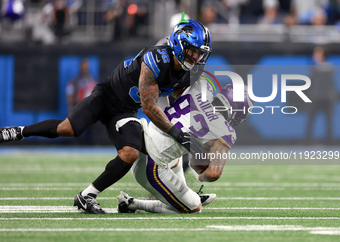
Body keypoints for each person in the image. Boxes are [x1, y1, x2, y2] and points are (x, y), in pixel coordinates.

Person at [0, 15, 212, 214]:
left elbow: (174, 100)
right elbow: (149, 107)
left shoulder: (190, 72)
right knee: (67, 128)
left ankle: (87, 195)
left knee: (131, 153)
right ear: (178, 44)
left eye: (199, 52)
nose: (195, 57)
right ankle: (18, 131)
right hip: (106, 96)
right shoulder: (157, 58)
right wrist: (177, 133)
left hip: (125, 110)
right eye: (192, 50)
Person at [117, 79, 253, 214]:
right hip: (151, 164)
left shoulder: (202, 86)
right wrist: (200, 175)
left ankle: (182, 195)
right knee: (194, 207)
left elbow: (172, 89)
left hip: (142, 139)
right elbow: (213, 173)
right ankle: (133, 204)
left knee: (177, 151)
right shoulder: (224, 131)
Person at [306, 46, 336, 143]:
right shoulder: (318, 67)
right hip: (318, 97)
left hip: (325, 98)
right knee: (311, 121)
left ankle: (328, 142)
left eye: (317, 53)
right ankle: (308, 141)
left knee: (328, 121)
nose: (315, 55)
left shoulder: (325, 67)